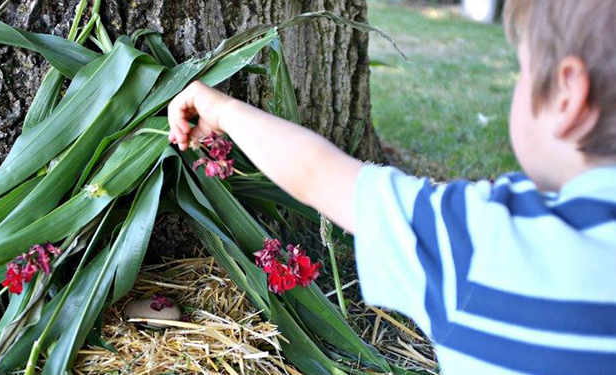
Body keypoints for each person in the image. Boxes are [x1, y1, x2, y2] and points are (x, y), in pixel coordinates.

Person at [166, 1, 616, 374]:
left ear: (567, 96)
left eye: (521, 69)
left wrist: (219, 109)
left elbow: (321, 174)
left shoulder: (482, 241)